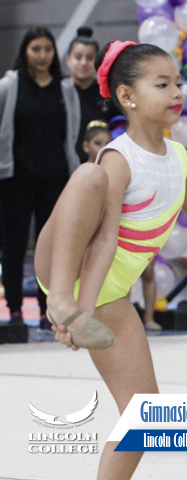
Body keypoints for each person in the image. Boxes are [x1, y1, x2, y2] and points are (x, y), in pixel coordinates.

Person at [33, 41, 187, 479]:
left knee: (145, 417)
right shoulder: (118, 158)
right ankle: (58, 305)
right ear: (127, 96)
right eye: (162, 84)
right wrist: (76, 312)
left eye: (179, 83)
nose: (177, 92)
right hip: (70, 267)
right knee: (88, 175)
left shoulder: (179, 157)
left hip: (110, 292)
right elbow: (104, 242)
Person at [0, 26, 81, 329]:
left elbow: (70, 134)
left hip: (56, 180)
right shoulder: (10, 85)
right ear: (25, 52)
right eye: (36, 49)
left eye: (48, 49)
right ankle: (16, 310)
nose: (43, 55)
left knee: (54, 248)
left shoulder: (66, 88)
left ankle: (51, 309)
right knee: (14, 246)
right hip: (15, 180)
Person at [65, 27, 122, 163]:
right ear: (68, 59)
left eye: (90, 58)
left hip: (101, 163)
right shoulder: (60, 91)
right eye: (78, 57)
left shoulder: (107, 93)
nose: (83, 63)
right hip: (63, 164)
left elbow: (119, 128)